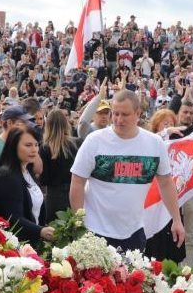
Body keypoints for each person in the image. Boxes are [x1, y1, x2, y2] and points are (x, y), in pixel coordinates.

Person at [69, 90, 184, 251]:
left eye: (125, 114)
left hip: (134, 231)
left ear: (138, 113)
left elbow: (165, 183)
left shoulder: (154, 143)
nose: (118, 119)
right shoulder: (95, 141)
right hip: (95, 229)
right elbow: (77, 181)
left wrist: (176, 219)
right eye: (115, 114)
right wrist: (78, 220)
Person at [0, 127, 54, 245]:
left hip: (29, 243)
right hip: (11, 246)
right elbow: (13, 218)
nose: (34, 150)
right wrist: (41, 231)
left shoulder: (27, 170)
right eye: (28, 145)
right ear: (14, 146)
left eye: (36, 145)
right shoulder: (7, 176)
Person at [37, 109, 77, 223]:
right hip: (74, 191)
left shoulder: (44, 148)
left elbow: (43, 178)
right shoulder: (76, 143)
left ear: (47, 125)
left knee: (54, 231)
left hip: (54, 194)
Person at [0, 105, 33, 178]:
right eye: (22, 122)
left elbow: (38, 170)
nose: (26, 126)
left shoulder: (22, 143)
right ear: (9, 123)